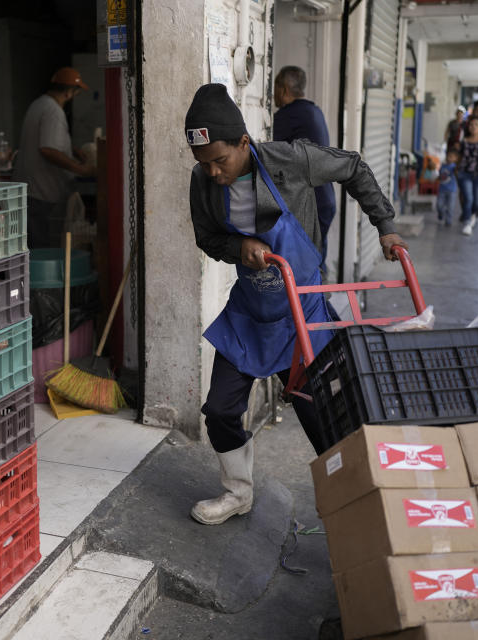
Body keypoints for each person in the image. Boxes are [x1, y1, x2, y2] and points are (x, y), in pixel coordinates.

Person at [184, 84, 407, 526]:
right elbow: (207, 238)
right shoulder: (202, 183)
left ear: (244, 143)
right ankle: (237, 493)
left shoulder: (291, 159)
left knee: (321, 412)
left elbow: (353, 167)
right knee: (221, 410)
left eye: (219, 161)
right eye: (203, 164)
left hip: (302, 310)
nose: (211, 172)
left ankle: (356, 504)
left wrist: (384, 225)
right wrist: (238, 246)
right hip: (250, 312)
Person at [12, 67, 97, 247]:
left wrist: (72, 150)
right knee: (42, 245)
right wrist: (81, 169)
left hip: (32, 188)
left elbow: (47, 139)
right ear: (68, 92)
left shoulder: (39, 104)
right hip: (42, 191)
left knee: (36, 241)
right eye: (75, 92)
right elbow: (48, 150)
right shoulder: (54, 111)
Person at [272, 66, 336, 262]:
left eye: (274, 87)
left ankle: (314, 292)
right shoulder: (314, 111)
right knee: (315, 261)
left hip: (310, 205)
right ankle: (320, 291)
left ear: (283, 89)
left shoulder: (287, 116)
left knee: (303, 267)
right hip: (324, 200)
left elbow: (268, 154)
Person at [436, 149, 458, 227]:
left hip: (451, 190)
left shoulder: (454, 167)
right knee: (439, 205)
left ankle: (448, 221)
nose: (449, 158)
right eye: (448, 156)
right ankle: (440, 214)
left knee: (450, 206)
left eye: (451, 157)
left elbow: (456, 172)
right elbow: (440, 175)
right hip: (442, 189)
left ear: (456, 158)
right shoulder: (443, 166)